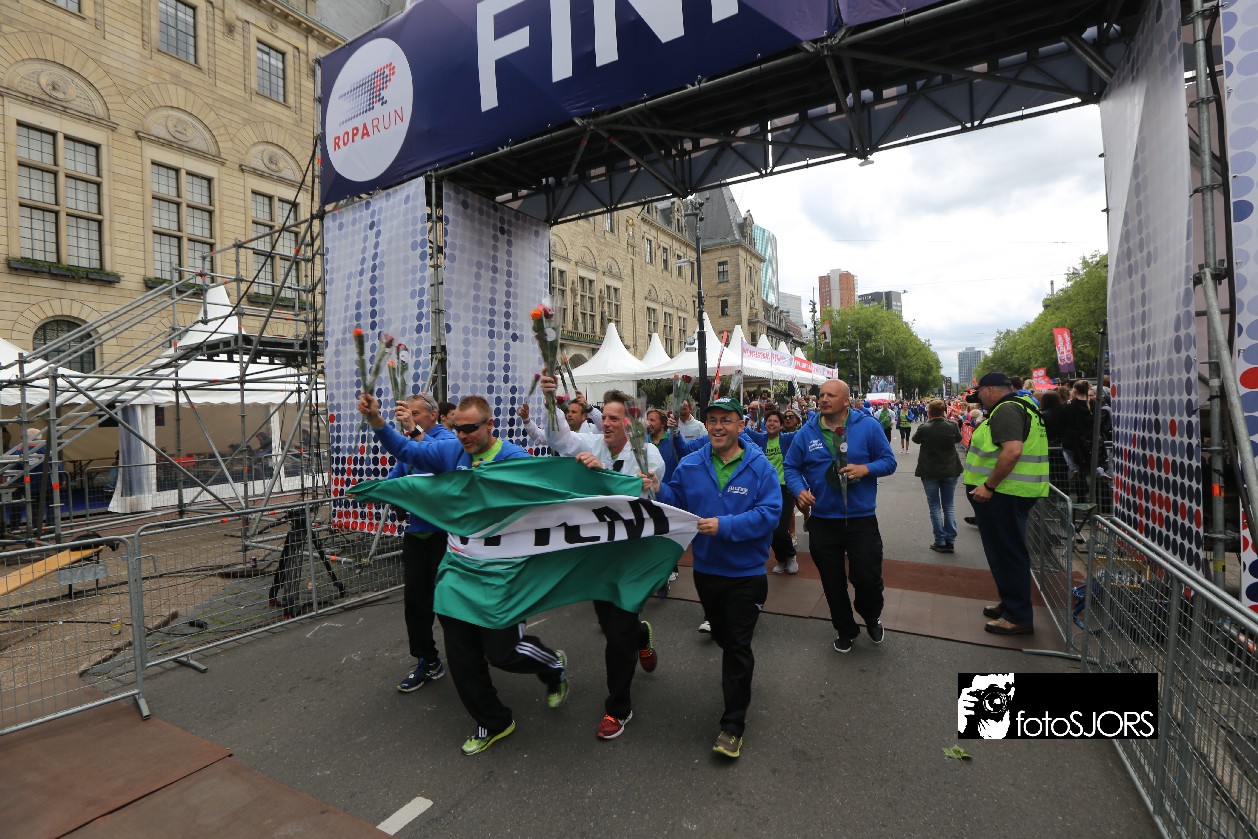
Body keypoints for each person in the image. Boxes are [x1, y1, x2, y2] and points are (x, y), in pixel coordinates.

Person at [357, 392, 568, 755]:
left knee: (503, 653)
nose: (463, 435)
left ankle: (553, 666)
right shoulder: (451, 452)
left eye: (470, 428)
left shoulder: (514, 459)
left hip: (502, 572)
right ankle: (494, 720)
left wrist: (587, 468)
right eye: (457, 428)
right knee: (461, 655)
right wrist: (377, 420)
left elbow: (555, 496)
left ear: (490, 424)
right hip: (457, 567)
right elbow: (407, 451)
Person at [653, 395, 781, 759]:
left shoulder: (759, 466)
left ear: (741, 425)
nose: (718, 426)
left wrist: (724, 526)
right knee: (725, 638)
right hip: (707, 573)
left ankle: (732, 727)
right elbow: (677, 502)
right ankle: (739, 676)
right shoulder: (691, 463)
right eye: (712, 420)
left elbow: (770, 513)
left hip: (747, 575)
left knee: (737, 646)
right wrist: (658, 488)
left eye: (726, 420)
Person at [537, 377, 663, 742]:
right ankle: (642, 634)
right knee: (611, 626)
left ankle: (618, 708)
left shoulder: (648, 455)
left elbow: (636, 495)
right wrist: (550, 402)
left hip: (633, 557)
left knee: (617, 636)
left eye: (613, 418)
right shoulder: (592, 442)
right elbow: (560, 439)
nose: (605, 423)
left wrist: (601, 473)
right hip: (600, 556)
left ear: (630, 424)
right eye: (603, 417)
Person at [784, 379, 897, 653]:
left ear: (846, 400)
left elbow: (889, 461)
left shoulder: (868, 426)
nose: (823, 399)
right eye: (821, 394)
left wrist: (865, 469)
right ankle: (845, 629)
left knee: (867, 578)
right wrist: (799, 490)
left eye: (830, 395)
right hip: (823, 520)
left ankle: (871, 615)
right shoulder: (806, 432)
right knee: (832, 582)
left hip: (861, 518)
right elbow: (791, 467)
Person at [962, 371, 1050, 636]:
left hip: (1005, 493)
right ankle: (1011, 604)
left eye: (980, 393)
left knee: (1007, 553)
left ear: (990, 390)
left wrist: (989, 486)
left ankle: (1017, 615)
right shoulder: (1023, 406)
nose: (978, 399)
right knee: (1005, 552)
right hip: (1011, 492)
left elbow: (1012, 451)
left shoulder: (1006, 409)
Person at [387, 393, 457, 693]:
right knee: (416, 604)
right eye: (407, 413)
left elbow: (437, 457)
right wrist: (373, 491)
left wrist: (413, 432)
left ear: (433, 414)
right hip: (417, 535)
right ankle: (427, 660)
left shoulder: (447, 439)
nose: (409, 418)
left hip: (447, 535)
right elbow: (395, 478)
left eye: (415, 413)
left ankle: (469, 658)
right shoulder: (409, 444)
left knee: (451, 603)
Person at [743, 407, 799, 574]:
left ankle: (790, 556)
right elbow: (742, 428)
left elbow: (804, 432)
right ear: (764, 424)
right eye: (769, 421)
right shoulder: (760, 438)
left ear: (781, 425)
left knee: (781, 528)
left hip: (785, 488)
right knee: (769, 527)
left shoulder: (787, 438)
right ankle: (781, 559)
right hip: (766, 489)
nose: (772, 424)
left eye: (776, 421)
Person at [912, 399, 963, 553]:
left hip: (930, 471)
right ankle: (950, 539)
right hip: (950, 469)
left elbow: (915, 440)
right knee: (949, 506)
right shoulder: (952, 426)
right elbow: (959, 439)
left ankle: (939, 540)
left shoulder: (925, 428)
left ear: (929, 412)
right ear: (943, 412)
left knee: (934, 506)